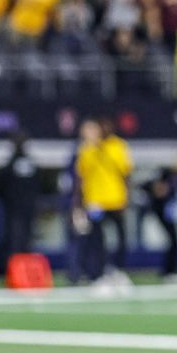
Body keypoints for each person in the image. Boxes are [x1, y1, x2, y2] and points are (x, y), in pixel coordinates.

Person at [74, 118, 133, 283]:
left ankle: (118, 270)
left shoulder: (117, 146)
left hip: (115, 199)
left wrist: (126, 197)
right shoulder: (87, 149)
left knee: (122, 238)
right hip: (95, 201)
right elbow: (81, 177)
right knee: (96, 240)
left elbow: (125, 173)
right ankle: (99, 273)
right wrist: (78, 203)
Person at [0, 132, 41, 267]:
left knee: (19, 240)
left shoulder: (14, 163)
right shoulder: (27, 163)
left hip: (17, 208)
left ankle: (21, 270)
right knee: (20, 240)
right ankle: (18, 270)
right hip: (21, 208)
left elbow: (2, 184)